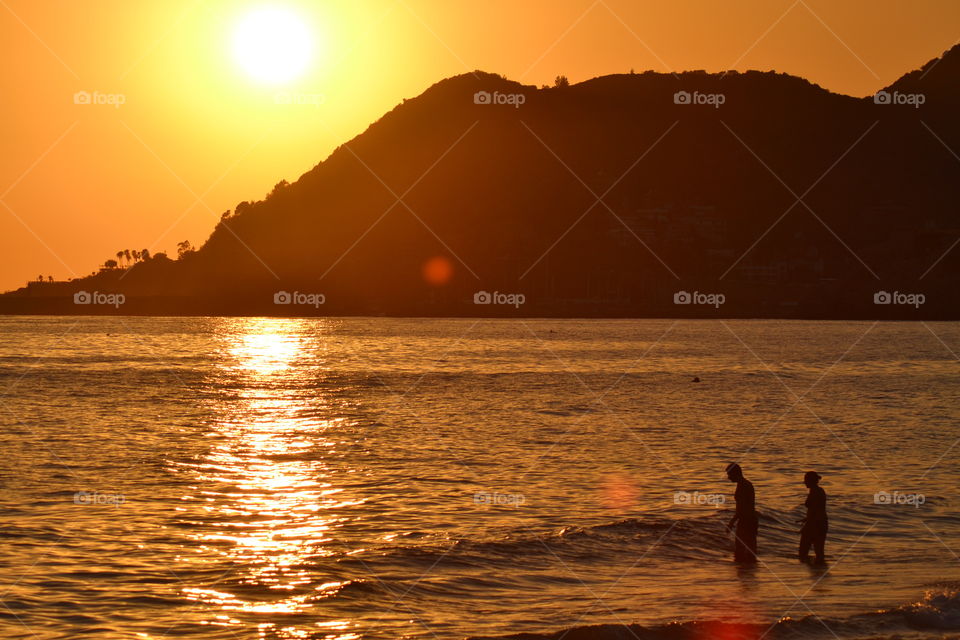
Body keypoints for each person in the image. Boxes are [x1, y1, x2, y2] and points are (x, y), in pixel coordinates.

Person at [725, 463, 758, 563]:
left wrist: (731, 522)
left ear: (735, 473)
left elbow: (742, 508)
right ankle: (749, 571)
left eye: (729, 474)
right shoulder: (745, 484)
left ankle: (745, 573)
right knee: (749, 549)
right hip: (750, 520)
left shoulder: (743, 486)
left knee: (741, 550)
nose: (728, 477)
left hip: (746, 521)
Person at [798, 471, 827, 564]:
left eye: (806, 480)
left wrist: (806, 525)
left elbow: (814, 511)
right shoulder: (819, 491)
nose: (805, 482)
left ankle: (815, 571)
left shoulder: (815, 492)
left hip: (815, 524)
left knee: (803, 552)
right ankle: (819, 570)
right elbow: (818, 510)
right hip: (822, 523)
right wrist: (806, 519)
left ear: (810, 481)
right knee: (819, 551)